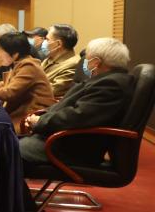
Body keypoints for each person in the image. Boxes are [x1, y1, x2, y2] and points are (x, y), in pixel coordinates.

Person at [20, 37, 134, 173]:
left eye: (87, 59)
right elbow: (69, 106)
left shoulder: (111, 85)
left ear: (96, 62)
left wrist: (40, 121)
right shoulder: (106, 79)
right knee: (4, 145)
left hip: (66, 149)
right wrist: (41, 116)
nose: (85, 62)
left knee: (4, 152)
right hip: (59, 139)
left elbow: (77, 117)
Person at [39, 24, 81, 98]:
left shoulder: (74, 64)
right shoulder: (49, 58)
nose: (44, 42)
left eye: (47, 39)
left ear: (58, 44)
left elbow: (51, 90)